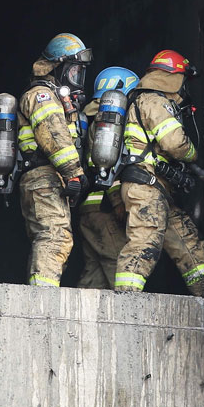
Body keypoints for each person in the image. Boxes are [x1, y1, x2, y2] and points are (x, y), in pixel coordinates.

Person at [115, 49, 204, 296]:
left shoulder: (146, 101)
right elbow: (175, 144)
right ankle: (125, 298)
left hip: (159, 189)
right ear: (173, 79)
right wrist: (193, 155)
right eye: (183, 81)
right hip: (145, 187)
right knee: (145, 241)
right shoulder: (154, 102)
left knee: (187, 241)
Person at [16, 33, 92, 287]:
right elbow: (54, 136)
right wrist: (74, 172)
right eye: (74, 72)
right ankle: (42, 300)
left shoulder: (56, 97)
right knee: (54, 237)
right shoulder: (41, 95)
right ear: (57, 67)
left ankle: (45, 290)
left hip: (50, 179)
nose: (78, 80)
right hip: (42, 178)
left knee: (58, 239)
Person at [77, 66, 138, 289]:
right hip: (105, 210)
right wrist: (118, 203)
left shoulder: (93, 122)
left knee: (94, 276)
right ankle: (129, 316)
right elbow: (106, 169)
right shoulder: (108, 127)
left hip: (89, 210)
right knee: (119, 267)